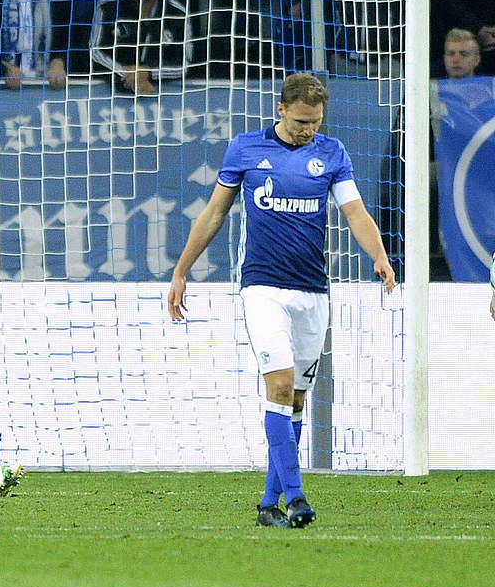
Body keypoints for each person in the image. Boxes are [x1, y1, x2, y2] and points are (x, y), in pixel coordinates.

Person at [167, 73, 396, 530]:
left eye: (315, 122)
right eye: (300, 122)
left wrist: (380, 255)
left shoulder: (332, 154)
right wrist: (181, 270)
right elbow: (214, 212)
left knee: (295, 399)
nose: (308, 130)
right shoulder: (246, 150)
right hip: (263, 287)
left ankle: (269, 504)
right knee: (279, 384)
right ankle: (296, 497)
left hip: (313, 291)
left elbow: (355, 211)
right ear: (280, 110)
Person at [89, 0, 190, 96]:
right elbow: (95, 54)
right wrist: (131, 76)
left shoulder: (177, 14)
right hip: (110, 95)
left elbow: (183, 64)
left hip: (160, 98)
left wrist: (148, 72)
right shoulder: (108, 8)